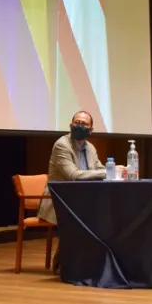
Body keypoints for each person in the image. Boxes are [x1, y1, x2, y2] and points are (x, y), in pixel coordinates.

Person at [38, 111, 125, 273]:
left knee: (105, 212)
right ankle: (70, 260)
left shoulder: (90, 147)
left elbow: (99, 169)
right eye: (77, 122)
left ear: (91, 130)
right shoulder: (62, 145)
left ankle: (92, 261)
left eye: (84, 124)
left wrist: (115, 170)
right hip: (59, 199)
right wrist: (108, 172)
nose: (79, 126)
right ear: (71, 125)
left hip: (82, 197)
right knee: (89, 215)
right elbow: (73, 175)